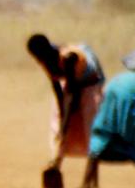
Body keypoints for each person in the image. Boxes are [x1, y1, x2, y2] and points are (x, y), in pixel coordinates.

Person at [28, 35, 105, 175]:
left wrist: (66, 122)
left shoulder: (68, 58)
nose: (37, 60)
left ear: (45, 51)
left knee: (90, 126)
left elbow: (71, 94)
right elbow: (57, 88)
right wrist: (62, 114)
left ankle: (91, 175)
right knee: (57, 123)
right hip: (72, 84)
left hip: (91, 84)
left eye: (38, 56)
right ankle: (55, 163)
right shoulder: (45, 59)